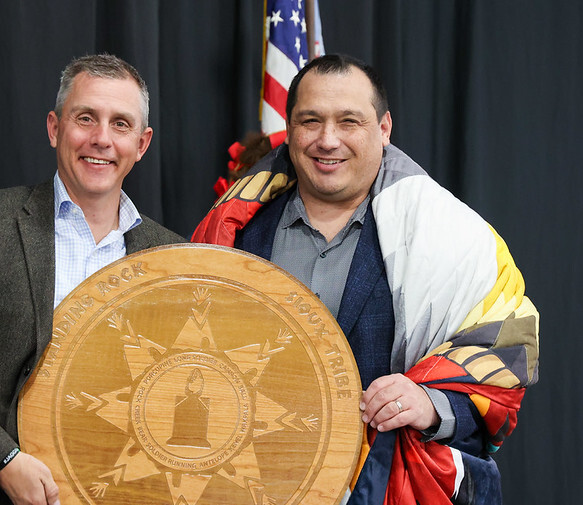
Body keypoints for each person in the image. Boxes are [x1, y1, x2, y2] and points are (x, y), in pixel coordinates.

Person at [192, 54, 539, 504]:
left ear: (384, 128)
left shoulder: (446, 237)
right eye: (310, 121)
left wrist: (431, 404)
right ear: (290, 129)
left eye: (348, 121)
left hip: (380, 488)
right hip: (244, 484)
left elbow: (504, 356)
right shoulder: (234, 231)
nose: (327, 139)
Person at [0, 54, 185, 504]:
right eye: (85, 118)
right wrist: (1, 461)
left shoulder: (172, 257)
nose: (102, 139)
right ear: (54, 128)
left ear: (141, 144)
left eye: (120, 124)